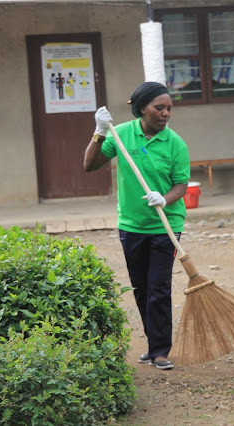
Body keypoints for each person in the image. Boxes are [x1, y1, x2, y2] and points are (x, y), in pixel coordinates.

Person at [83, 82, 190, 370]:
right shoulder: (122, 135)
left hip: (165, 225)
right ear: (143, 108)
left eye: (169, 108)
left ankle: (159, 350)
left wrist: (164, 199)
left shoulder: (175, 144)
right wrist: (99, 132)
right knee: (140, 288)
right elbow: (90, 165)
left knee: (159, 287)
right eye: (160, 108)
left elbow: (181, 185)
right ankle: (152, 342)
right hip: (131, 225)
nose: (166, 113)